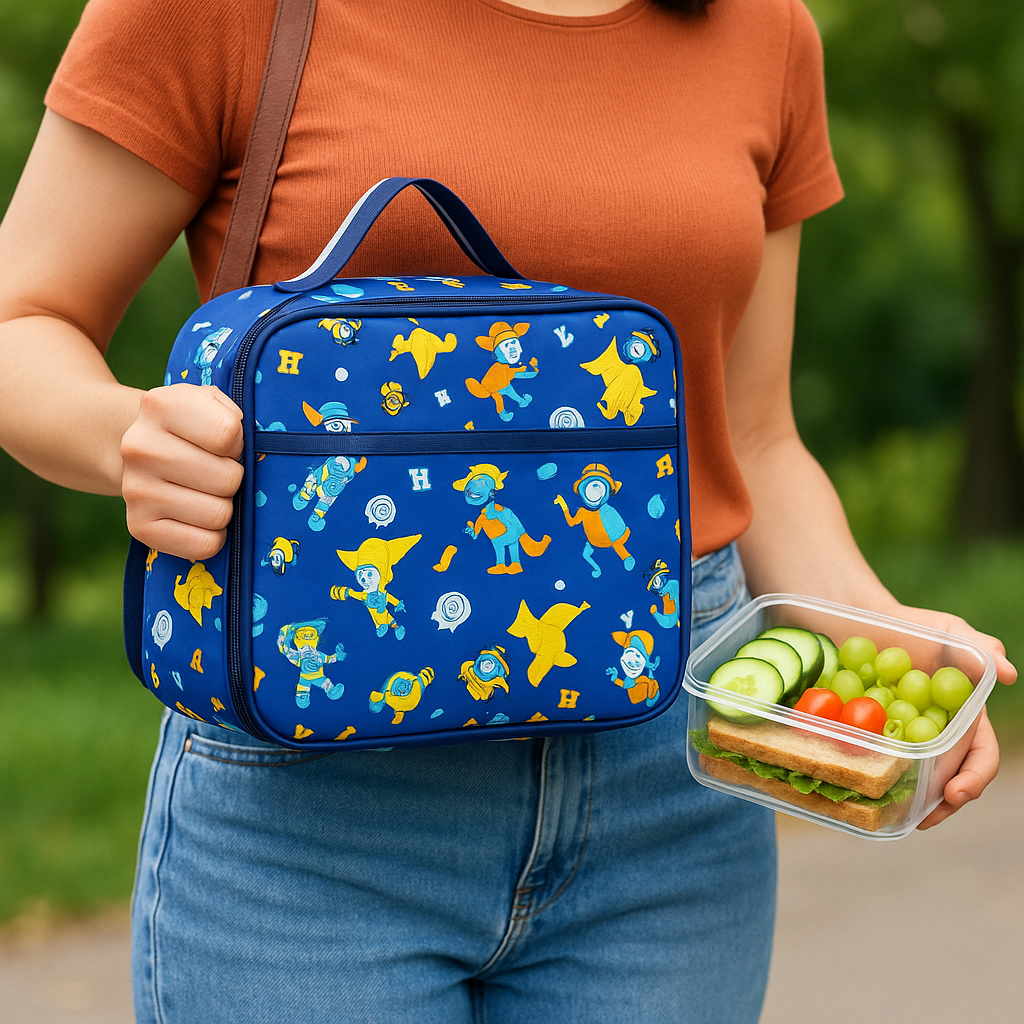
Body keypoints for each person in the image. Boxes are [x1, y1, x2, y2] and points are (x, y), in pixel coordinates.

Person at [0, 1, 1015, 1021]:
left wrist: (883, 632)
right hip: (312, 793)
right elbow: (22, 316)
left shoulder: (762, 29)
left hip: (671, 799)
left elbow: (749, 439)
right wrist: (124, 435)